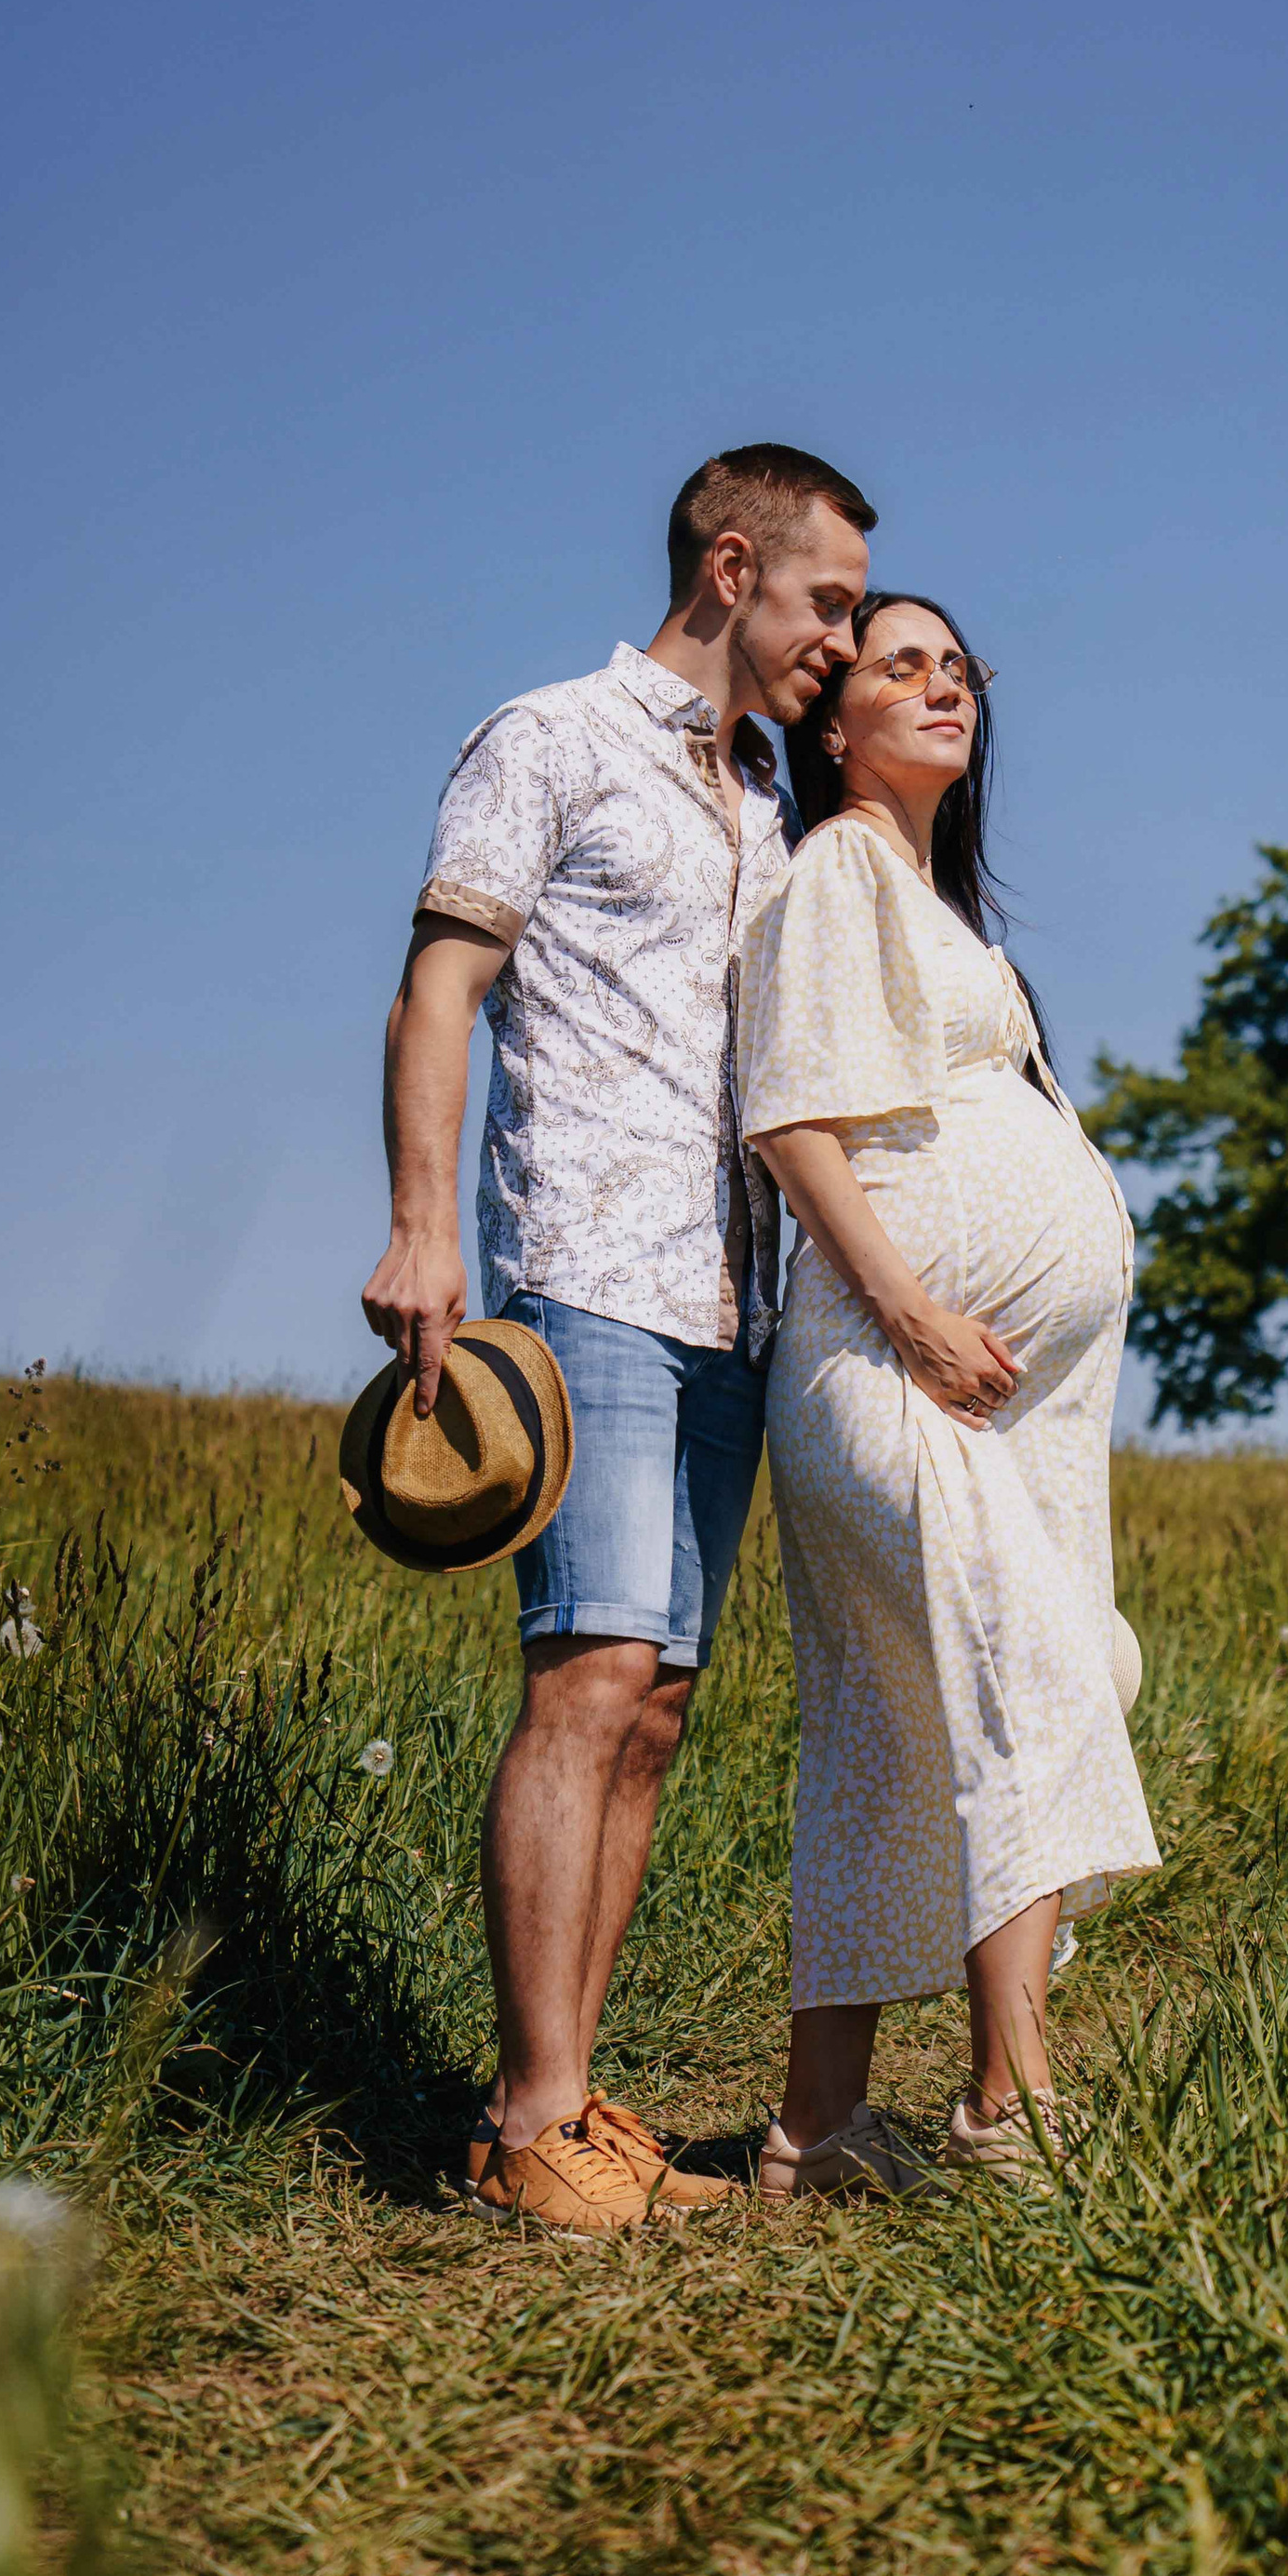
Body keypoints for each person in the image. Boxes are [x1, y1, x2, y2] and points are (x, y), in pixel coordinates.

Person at [360, 444, 875, 2235]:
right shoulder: (549, 739)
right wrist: (425, 1225)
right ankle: (525, 2122)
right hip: (586, 1278)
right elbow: (441, 987)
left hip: (738, 1302)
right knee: (586, 1677)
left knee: (655, 1705)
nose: (843, 639)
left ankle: (568, 2100)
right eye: (826, 602)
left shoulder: (775, 799)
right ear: (731, 568)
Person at [735, 592, 1161, 2196]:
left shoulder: (934, 904)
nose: (942, 685)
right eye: (899, 664)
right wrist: (914, 1315)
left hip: (995, 1395)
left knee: (897, 1731)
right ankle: (1010, 2108)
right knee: (1035, 1668)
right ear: (834, 724)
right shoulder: (839, 868)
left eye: (959, 668)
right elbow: (793, 1120)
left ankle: (816, 2131)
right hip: (883, 1363)